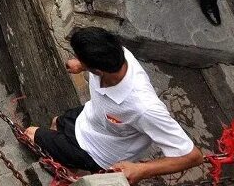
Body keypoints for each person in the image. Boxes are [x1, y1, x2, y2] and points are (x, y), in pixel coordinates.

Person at [26, 27, 203, 183]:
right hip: (89, 118)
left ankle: (69, 165)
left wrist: (141, 170)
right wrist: (81, 65)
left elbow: (192, 157)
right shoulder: (115, 55)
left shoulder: (144, 108)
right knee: (57, 121)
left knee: (30, 134)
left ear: (97, 71)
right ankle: (67, 164)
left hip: (98, 153)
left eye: (79, 57)